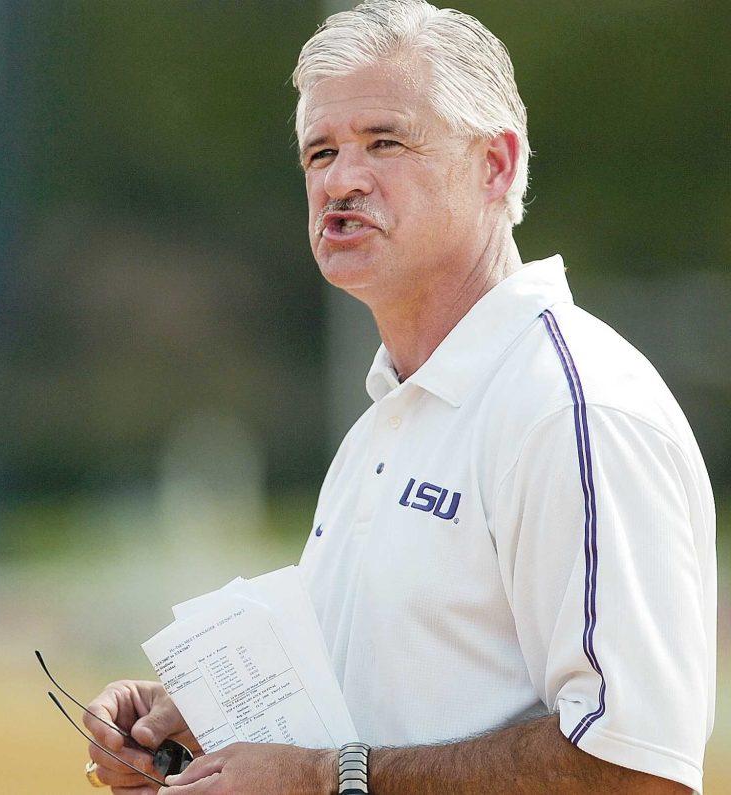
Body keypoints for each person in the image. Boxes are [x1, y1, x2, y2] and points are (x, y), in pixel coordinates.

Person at [81, 1, 716, 793]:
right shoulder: (388, 420)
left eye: (385, 141)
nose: (341, 178)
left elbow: (635, 766)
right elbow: (380, 715)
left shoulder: (572, 409)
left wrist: (325, 778)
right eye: (320, 152)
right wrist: (201, 721)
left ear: (497, 164)